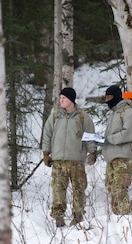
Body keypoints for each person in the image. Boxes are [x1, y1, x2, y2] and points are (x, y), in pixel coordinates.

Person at [42, 87, 97, 227]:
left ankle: (78, 216)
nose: (61, 100)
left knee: (79, 189)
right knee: (58, 190)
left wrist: (92, 152)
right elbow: (47, 134)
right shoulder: (55, 116)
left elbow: (90, 136)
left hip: (76, 161)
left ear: (71, 100)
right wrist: (46, 153)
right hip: (58, 161)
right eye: (60, 98)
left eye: (64, 98)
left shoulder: (83, 117)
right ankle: (58, 217)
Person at [102, 85, 132, 215]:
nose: (107, 100)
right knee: (112, 190)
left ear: (116, 96)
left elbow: (128, 133)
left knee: (120, 190)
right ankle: (118, 219)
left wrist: (109, 139)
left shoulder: (129, 112)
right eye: (106, 97)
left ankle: (126, 219)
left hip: (123, 158)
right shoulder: (114, 114)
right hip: (112, 159)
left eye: (109, 97)